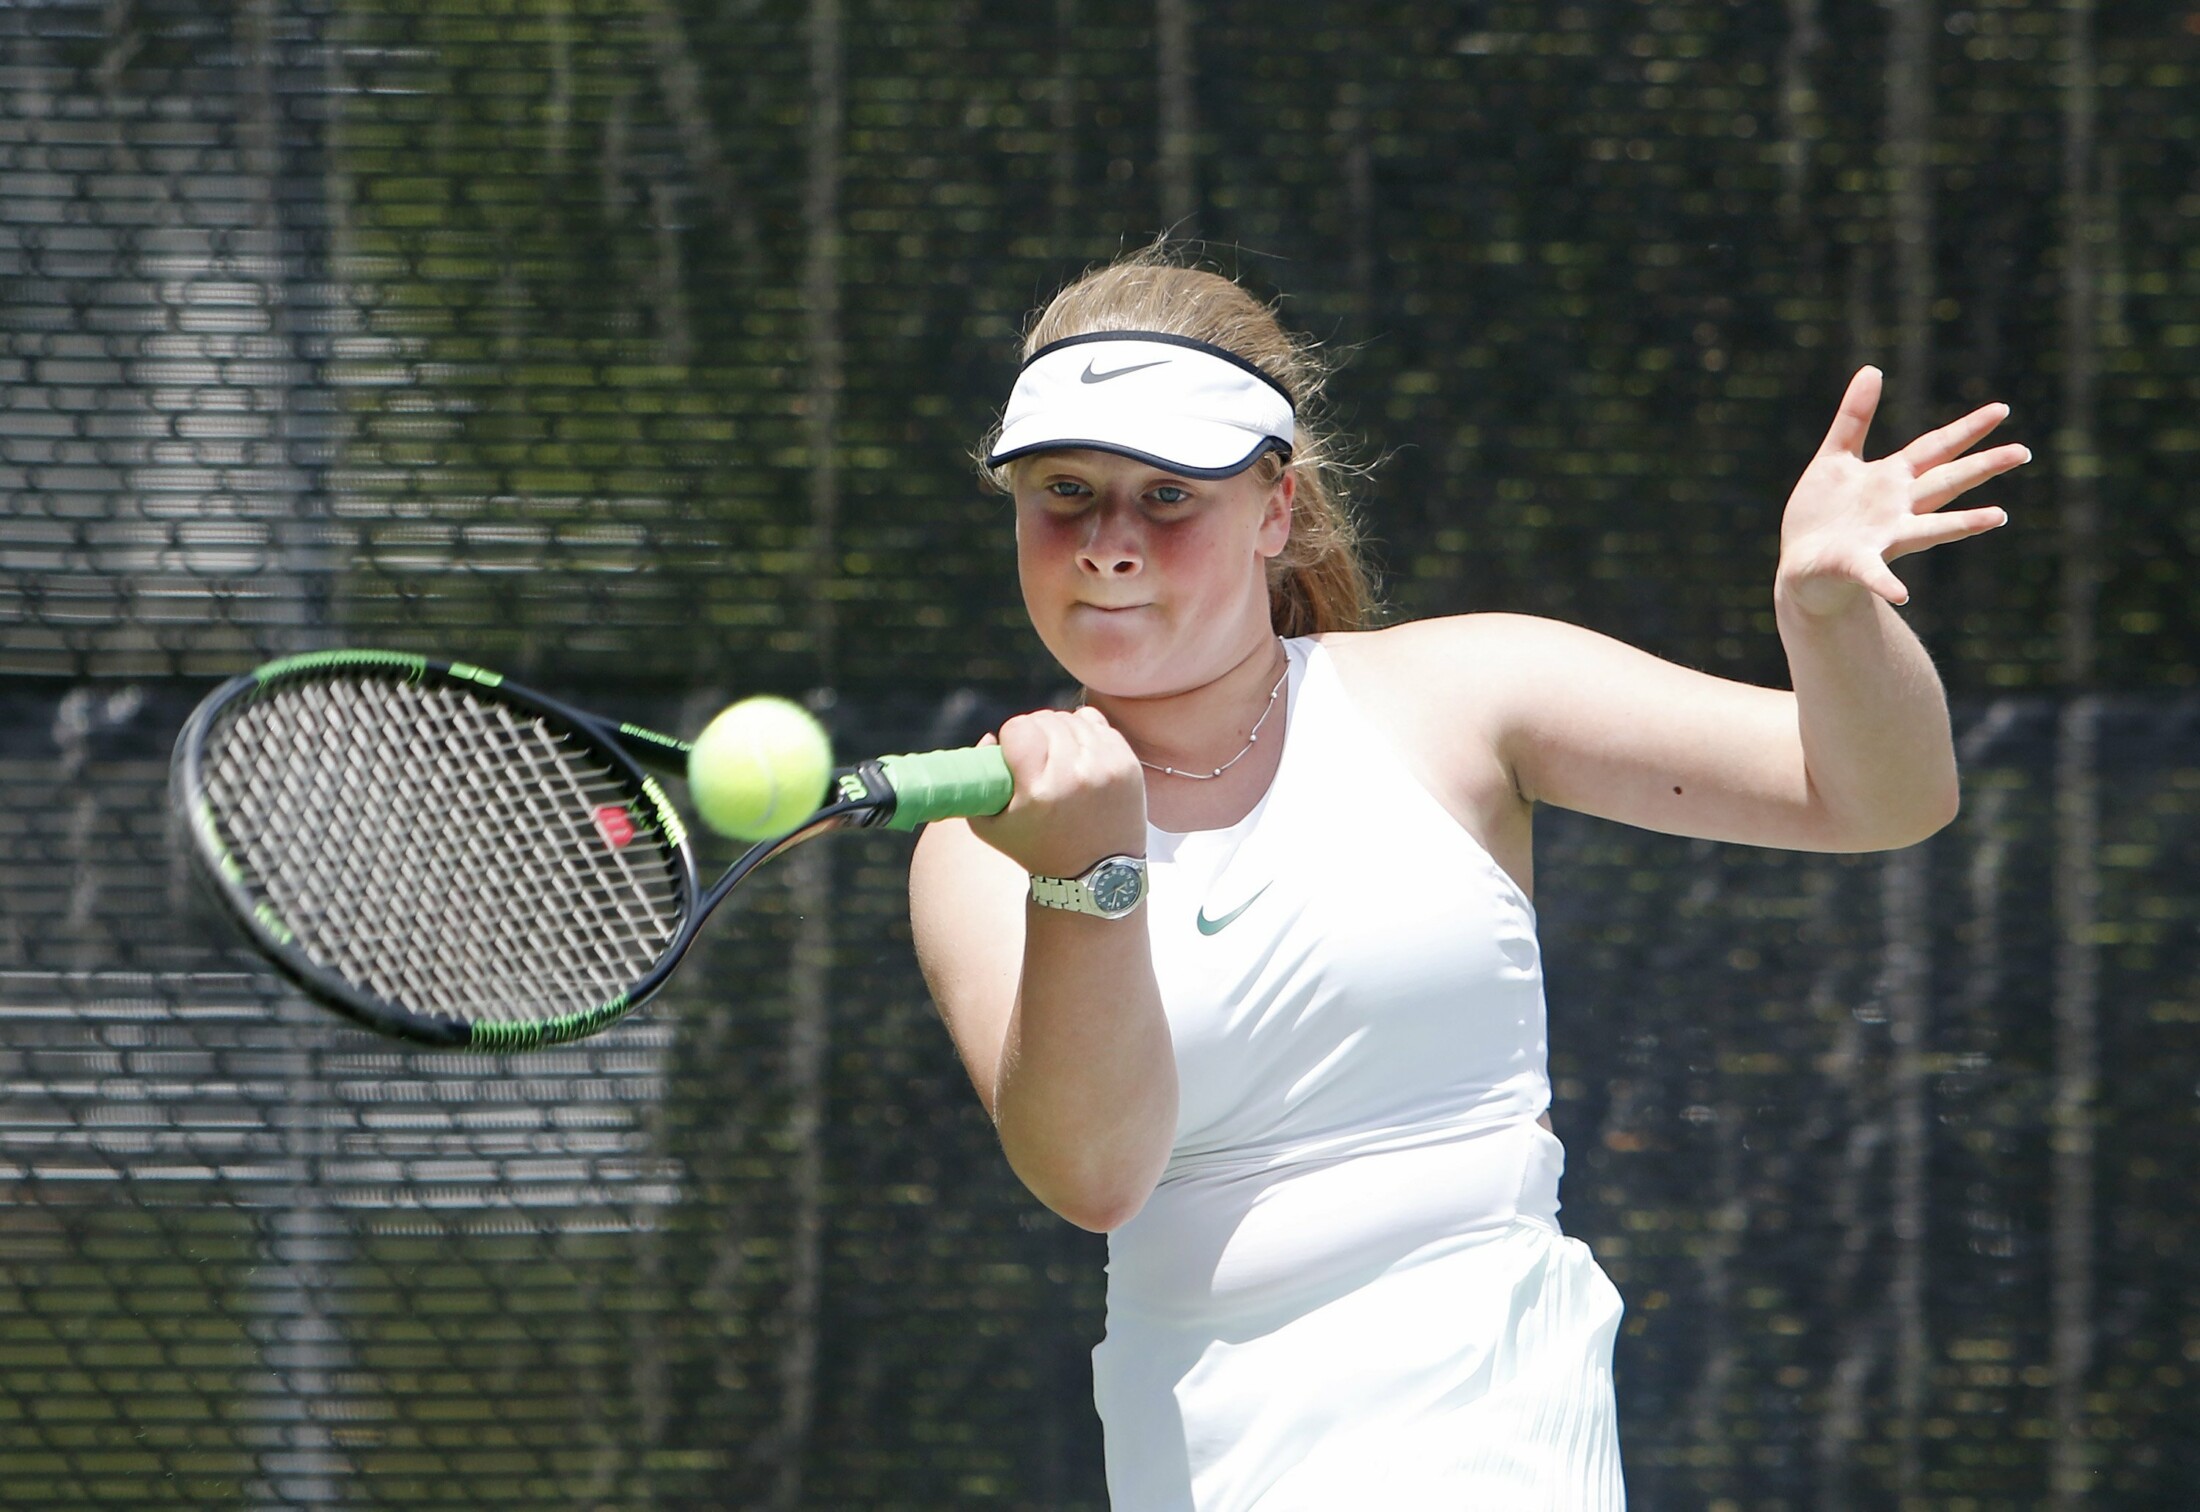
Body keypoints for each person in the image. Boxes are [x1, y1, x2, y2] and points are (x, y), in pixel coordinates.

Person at [907, 250, 2025, 1510]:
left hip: (1498, 1427)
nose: (1109, 544)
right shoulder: (976, 839)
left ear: (1275, 509)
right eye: (1065, 491)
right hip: (1202, 1456)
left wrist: (1829, 619)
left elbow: (1880, 796)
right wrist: (1091, 872)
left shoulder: (1460, 693)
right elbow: (1094, 1176)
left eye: (1169, 495)